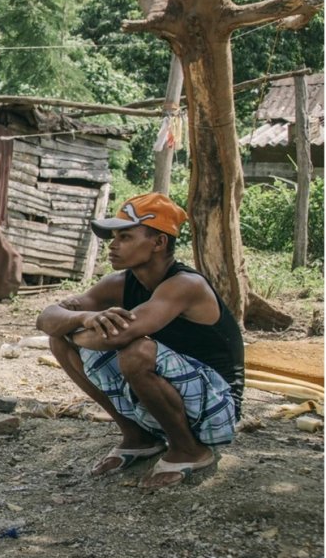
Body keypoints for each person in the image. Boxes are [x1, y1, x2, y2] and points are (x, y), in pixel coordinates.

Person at [36, 192, 244, 490]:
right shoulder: (120, 283)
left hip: (218, 409)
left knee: (137, 352)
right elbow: (47, 316)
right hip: (180, 396)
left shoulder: (185, 284)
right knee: (61, 343)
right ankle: (139, 438)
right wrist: (83, 320)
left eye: (126, 236)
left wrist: (73, 325)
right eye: (114, 236)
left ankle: (189, 449)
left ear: (159, 243)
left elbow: (116, 337)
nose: (113, 245)